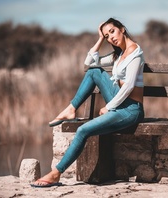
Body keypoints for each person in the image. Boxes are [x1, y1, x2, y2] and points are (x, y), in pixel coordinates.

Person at [31, 18, 145, 187]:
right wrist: (99, 39)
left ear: (122, 28)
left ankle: (56, 173)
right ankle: (71, 108)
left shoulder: (135, 52)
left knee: (83, 130)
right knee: (94, 72)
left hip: (131, 110)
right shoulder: (119, 54)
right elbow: (88, 64)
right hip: (119, 103)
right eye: (107, 35)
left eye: (112, 31)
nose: (110, 37)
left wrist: (109, 107)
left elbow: (128, 86)